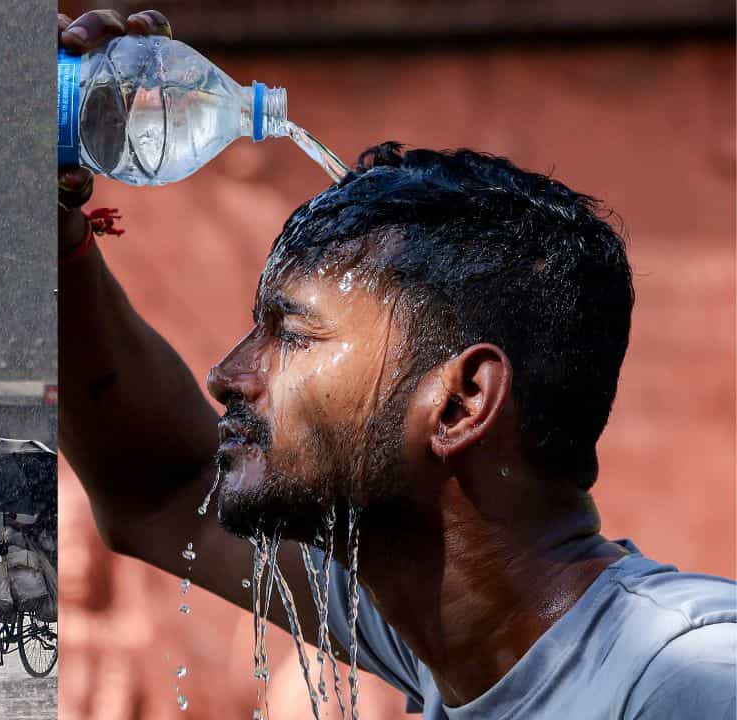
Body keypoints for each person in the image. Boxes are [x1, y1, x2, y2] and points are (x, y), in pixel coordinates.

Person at [58, 10, 737, 719]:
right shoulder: (446, 627)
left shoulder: (690, 681)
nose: (227, 375)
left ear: (460, 401)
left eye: (291, 334)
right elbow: (159, 490)